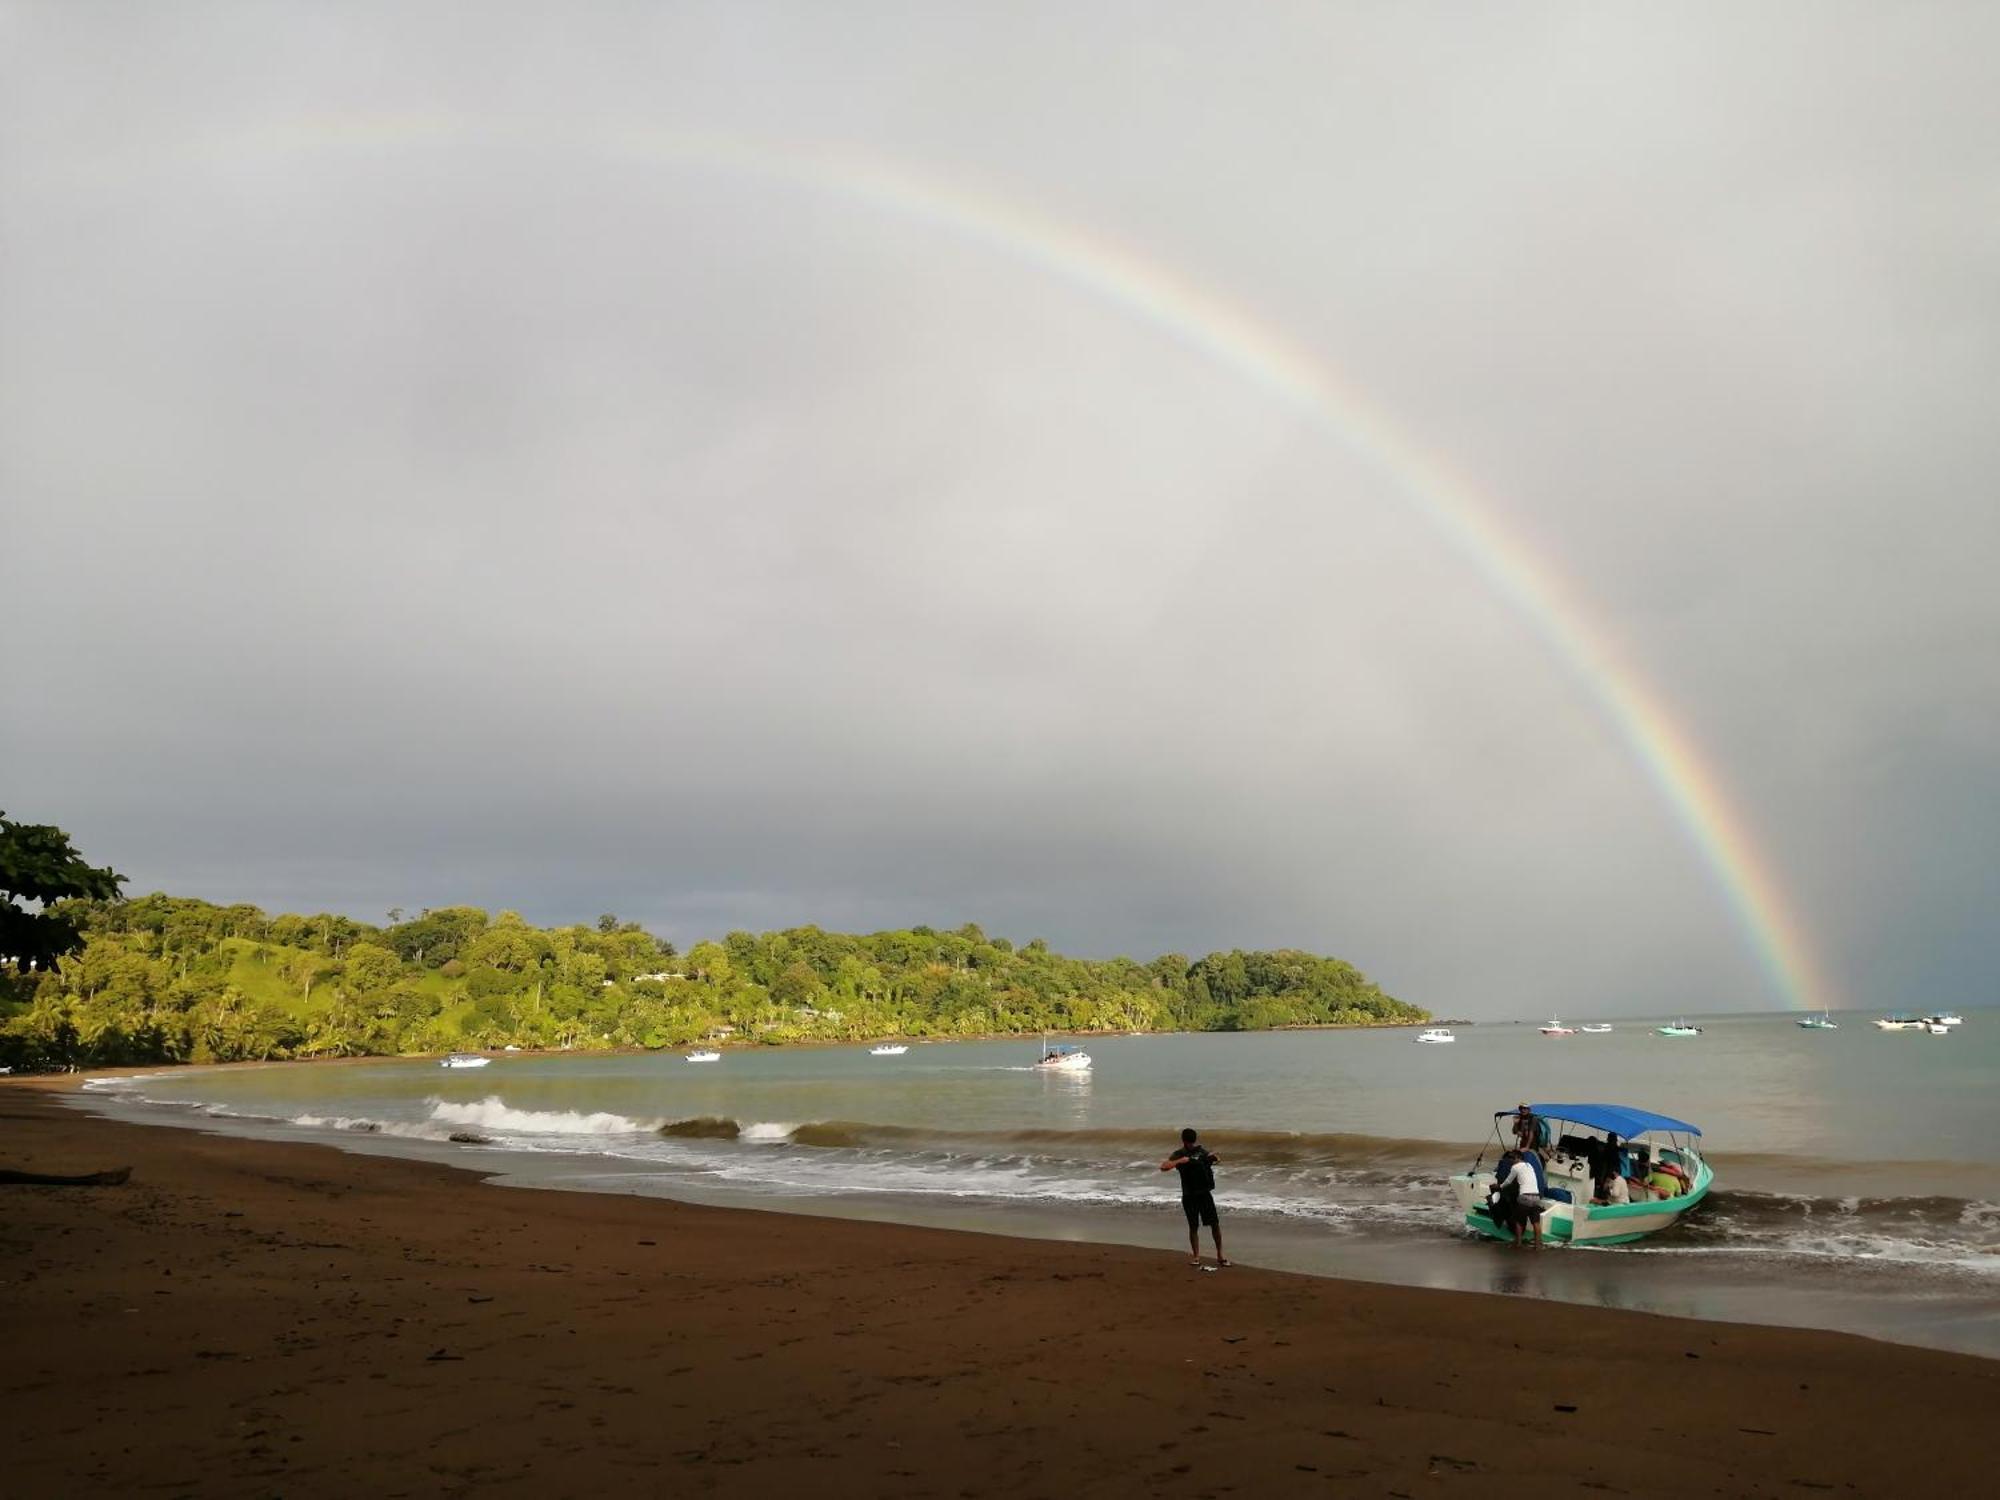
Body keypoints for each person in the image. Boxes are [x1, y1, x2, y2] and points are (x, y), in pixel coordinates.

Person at [1159, 1128, 1228, 1268]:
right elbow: (1164, 1167)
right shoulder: (1179, 1154)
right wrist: (1180, 1161)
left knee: (1214, 1224)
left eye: (1192, 1142)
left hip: (1204, 1193)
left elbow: (1217, 1160)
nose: (1190, 1145)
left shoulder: (1202, 1152)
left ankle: (1220, 1255)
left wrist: (1215, 1157)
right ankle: (1196, 1256)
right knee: (1193, 1226)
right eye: (1188, 1142)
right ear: (1184, 1141)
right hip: (1189, 1195)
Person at [1488, 1148, 1545, 1247]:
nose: (1510, 1161)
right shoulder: (1529, 1165)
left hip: (1525, 1197)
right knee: (1535, 1222)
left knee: (1518, 1222)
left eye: (1511, 1158)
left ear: (1518, 1158)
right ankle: (1537, 1245)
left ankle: (1518, 1243)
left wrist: (1499, 1186)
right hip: (1536, 1197)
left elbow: (1508, 1182)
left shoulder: (1515, 1167)